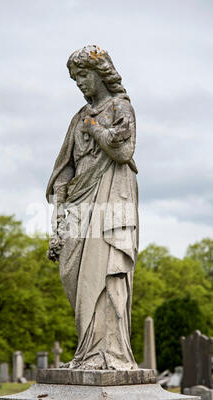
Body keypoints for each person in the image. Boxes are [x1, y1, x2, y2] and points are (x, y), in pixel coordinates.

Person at [46, 45, 139, 370]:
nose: (81, 84)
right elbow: (65, 167)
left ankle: (108, 354)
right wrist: (59, 212)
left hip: (111, 199)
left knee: (107, 272)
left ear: (101, 73)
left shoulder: (120, 107)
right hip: (79, 206)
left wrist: (95, 128)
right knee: (73, 274)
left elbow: (124, 151)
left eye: (83, 76)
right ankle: (86, 353)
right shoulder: (78, 117)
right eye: (75, 79)